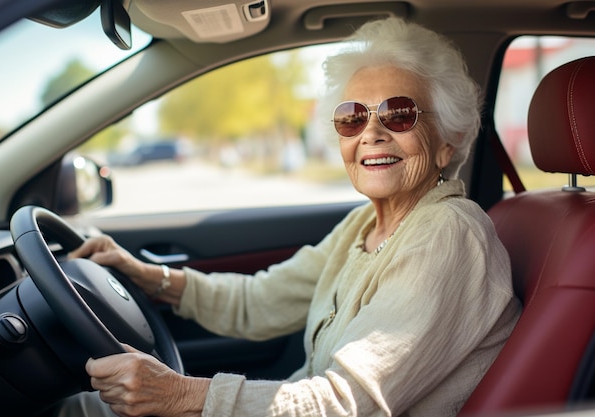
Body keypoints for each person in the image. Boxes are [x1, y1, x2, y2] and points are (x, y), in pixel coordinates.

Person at [58, 16, 521, 417]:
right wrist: (148, 276)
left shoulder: (449, 235)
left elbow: (343, 403)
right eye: (352, 117)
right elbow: (260, 300)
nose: (372, 133)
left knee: (80, 408)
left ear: (448, 140)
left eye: (399, 114)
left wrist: (180, 394)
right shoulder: (364, 227)